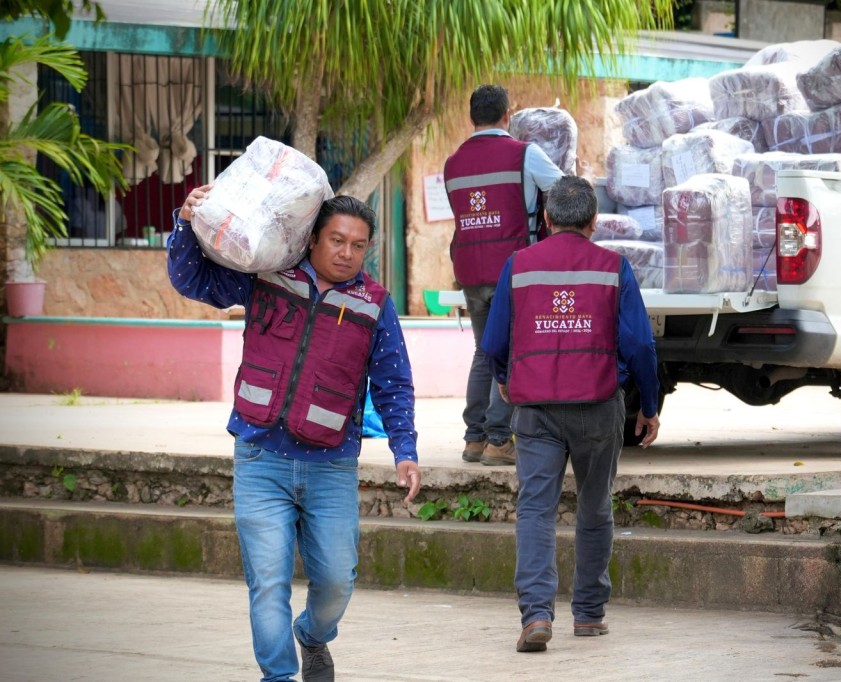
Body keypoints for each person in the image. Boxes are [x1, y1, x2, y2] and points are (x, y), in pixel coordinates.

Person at [167, 186, 421, 682]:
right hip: (261, 458)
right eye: (336, 240)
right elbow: (192, 278)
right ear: (312, 240)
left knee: (336, 582)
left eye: (358, 244)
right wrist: (184, 222)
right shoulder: (265, 278)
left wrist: (404, 451)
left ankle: (313, 635)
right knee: (267, 583)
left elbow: (394, 382)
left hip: (331, 465)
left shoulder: (374, 305)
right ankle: (278, 676)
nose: (346, 253)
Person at [481, 175, 661, 653]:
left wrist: (504, 376)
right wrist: (649, 404)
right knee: (595, 505)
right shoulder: (613, 267)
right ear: (593, 221)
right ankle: (588, 614)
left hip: (536, 409)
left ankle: (537, 615)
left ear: (545, 218)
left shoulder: (518, 265)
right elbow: (641, 344)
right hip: (600, 408)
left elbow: (494, 341)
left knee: (535, 509)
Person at [444, 83, 564, 467]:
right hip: (511, 269)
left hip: (469, 271)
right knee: (510, 352)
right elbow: (566, 192)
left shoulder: (453, 163)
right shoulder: (523, 154)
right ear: (507, 115)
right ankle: (499, 439)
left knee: (484, 351)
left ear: (471, 118)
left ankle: (474, 438)